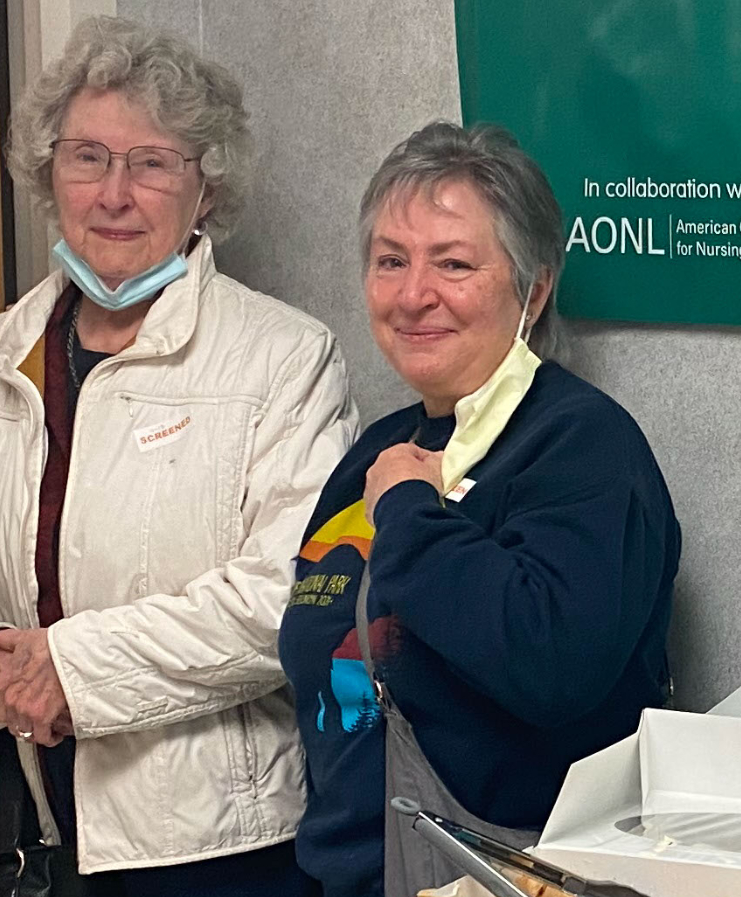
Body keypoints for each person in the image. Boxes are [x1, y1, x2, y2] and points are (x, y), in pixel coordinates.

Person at [0, 16, 356, 895]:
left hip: (216, 849)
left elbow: (286, 596)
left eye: (152, 164)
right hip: (21, 833)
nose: (114, 193)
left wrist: (73, 669)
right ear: (47, 173)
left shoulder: (286, 359)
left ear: (205, 190)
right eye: (87, 158)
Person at [279, 121, 680, 897]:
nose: (413, 294)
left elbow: (548, 663)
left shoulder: (582, 448)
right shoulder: (377, 451)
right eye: (390, 261)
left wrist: (408, 510)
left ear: (533, 289)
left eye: (453, 264)